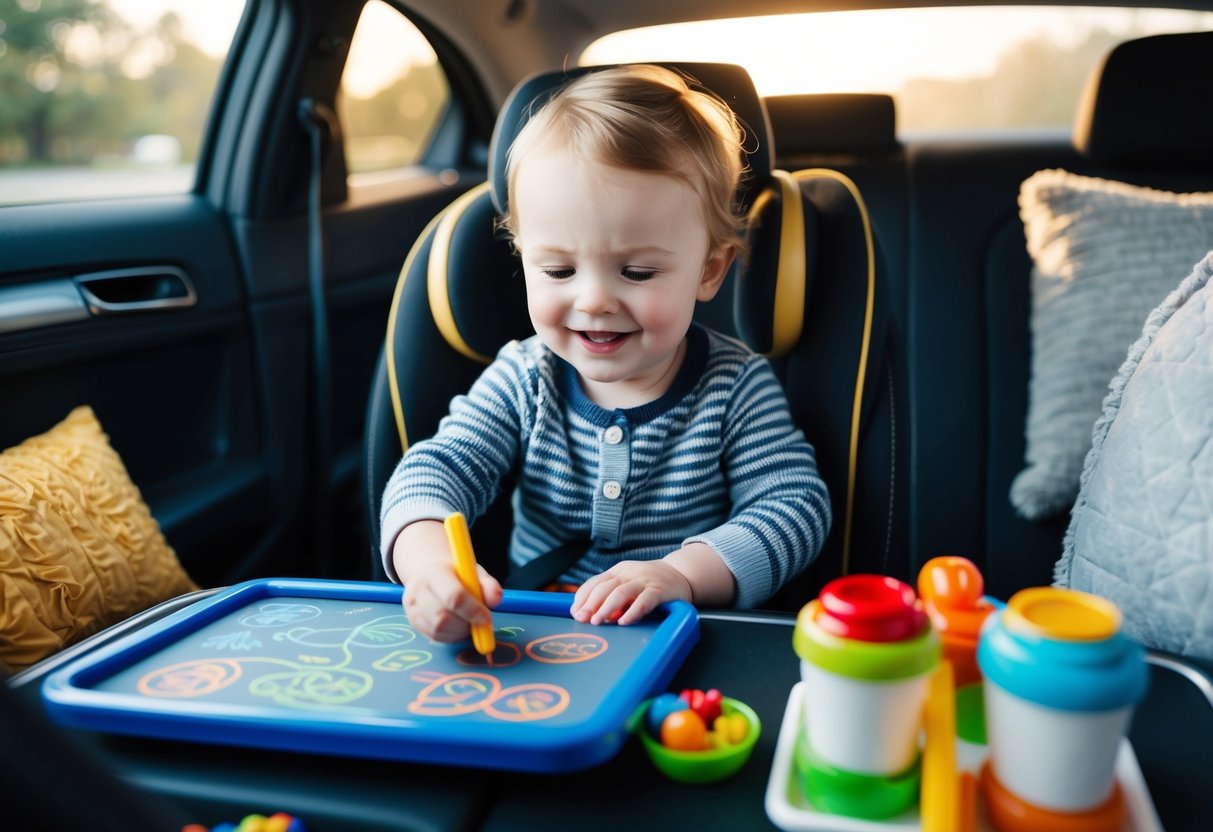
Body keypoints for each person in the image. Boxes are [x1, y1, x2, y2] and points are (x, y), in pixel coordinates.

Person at [380, 64, 830, 642]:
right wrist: (430, 566)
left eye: (637, 272)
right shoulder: (525, 377)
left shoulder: (735, 386)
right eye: (558, 270)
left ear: (709, 270)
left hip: (678, 632)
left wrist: (682, 575)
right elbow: (435, 470)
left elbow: (793, 507)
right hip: (537, 635)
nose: (593, 300)